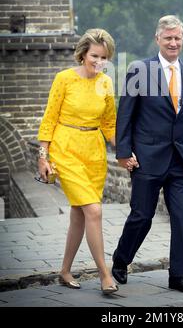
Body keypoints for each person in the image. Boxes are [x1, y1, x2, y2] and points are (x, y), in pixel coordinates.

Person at [112, 15, 183, 293]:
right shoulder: (139, 70)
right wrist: (124, 153)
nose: (173, 43)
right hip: (147, 158)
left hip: (180, 159)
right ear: (158, 40)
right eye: (168, 38)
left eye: (178, 38)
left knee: (181, 218)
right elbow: (125, 115)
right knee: (142, 215)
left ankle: (178, 276)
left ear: (182, 40)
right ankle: (121, 259)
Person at [37, 28, 118, 295]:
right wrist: (43, 156)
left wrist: (127, 150)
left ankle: (64, 270)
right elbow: (49, 118)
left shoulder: (106, 83)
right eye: (95, 55)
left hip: (94, 154)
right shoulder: (64, 79)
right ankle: (105, 274)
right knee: (94, 211)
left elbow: (109, 123)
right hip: (66, 149)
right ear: (83, 54)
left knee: (79, 215)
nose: (99, 62)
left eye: (104, 57)